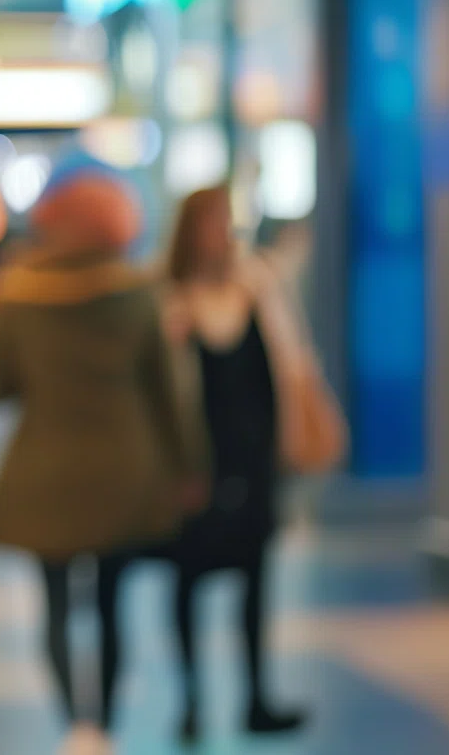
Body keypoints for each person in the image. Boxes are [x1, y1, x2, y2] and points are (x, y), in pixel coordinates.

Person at [0, 160, 206, 755]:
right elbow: (169, 391)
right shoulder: (137, 290)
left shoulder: (15, 291)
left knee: (53, 605)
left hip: (43, 470)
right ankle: (102, 725)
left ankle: (76, 726)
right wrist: (188, 466)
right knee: (110, 603)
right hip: (125, 467)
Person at [162, 188, 322, 743]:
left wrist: (289, 446)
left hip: (253, 460)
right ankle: (191, 697)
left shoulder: (256, 289)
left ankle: (256, 694)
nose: (222, 234)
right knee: (187, 581)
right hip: (193, 463)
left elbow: (287, 369)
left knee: (256, 578)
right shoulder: (170, 302)